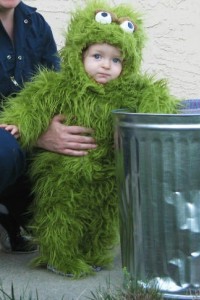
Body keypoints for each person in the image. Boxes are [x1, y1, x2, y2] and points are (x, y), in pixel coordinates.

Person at [0, 0, 179, 277]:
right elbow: (36, 100)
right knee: (61, 212)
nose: (106, 66)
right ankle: (61, 255)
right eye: (97, 56)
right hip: (62, 170)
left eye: (116, 60)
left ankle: (93, 251)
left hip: (105, 170)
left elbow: (155, 100)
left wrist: (143, 126)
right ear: (79, 55)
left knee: (102, 215)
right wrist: (23, 126)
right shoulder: (61, 87)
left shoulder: (32, 23)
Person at [0, 0, 96, 253]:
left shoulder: (35, 23)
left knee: (84, 143)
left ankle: (12, 213)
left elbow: (55, 87)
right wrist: (33, 135)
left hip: (25, 137)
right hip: (8, 145)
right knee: (3, 151)